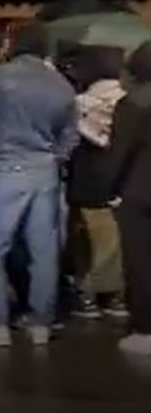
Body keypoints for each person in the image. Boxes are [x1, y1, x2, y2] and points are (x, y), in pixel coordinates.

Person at [0, 24, 78, 348]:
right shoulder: (60, 84)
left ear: (15, 45)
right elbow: (70, 135)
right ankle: (41, 322)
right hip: (45, 171)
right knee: (43, 250)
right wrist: (55, 158)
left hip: (6, 169)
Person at [65, 46, 129, 321]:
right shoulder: (131, 101)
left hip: (88, 179)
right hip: (124, 177)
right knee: (115, 239)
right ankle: (115, 296)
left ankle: (88, 292)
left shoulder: (78, 104)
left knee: (89, 239)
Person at [108, 40, 151, 355]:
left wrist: (110, 190)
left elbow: (119, 153)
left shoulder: (132, 103)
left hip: (140, 190)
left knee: (140, 262)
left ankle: (145, 328)